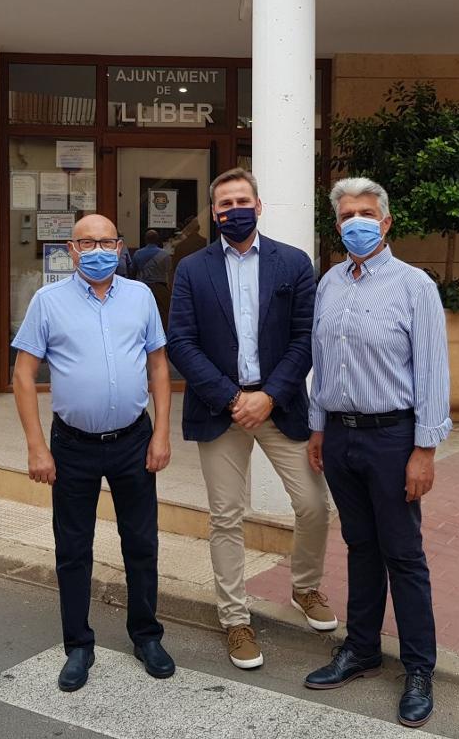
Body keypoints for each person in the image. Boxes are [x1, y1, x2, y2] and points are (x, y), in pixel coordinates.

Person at [167, 168, 333, 670]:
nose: (234, 210)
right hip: (220, 409)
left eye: (243, 201)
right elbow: (181, 342)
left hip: (280, 405)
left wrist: (269, 396)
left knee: (314, 505)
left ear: (258, 206)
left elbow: (306, 337)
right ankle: (235, 618)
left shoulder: (294, 262)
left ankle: (305, 587)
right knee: (226, 516)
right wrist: (232, 397)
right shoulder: (191, 268)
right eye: (225, 204)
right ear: (214, 212)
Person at [302, 177, 449, 730]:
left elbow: (432, 370)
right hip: (341, 437)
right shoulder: (329, 282)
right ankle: (361, 649)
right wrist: (318, 427)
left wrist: (424, 449)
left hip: (393, 437)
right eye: (347, 215)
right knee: (360, 546)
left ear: (385, 223)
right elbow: (321, 360)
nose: (356, 222)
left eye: (366, 213)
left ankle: (418, 668)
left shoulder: (414, 286)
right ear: (337, 225)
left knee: (403, 554)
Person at [11, 214, 175, 693]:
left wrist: (162, 434)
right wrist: (36, 447)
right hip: (72, 447)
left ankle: (146, 635)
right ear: (72, 248)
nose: (98, 251)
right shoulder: (47, 302)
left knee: (141, 543)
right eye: (87, 243)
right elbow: (23, 376)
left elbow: (158, 366)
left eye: (106, 242)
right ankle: (78, 645)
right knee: (73, 549)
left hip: (134, 441)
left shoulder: (140, 297)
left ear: (120, 247)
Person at [136, 229, 174, 323]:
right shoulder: (165, 255)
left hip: (142, 288)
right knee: (162, 315)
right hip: (160, 288)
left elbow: (133, 271)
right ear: (157, 240)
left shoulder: (138, 254)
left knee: (142, 314)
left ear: (145, 240)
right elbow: (169, 273)